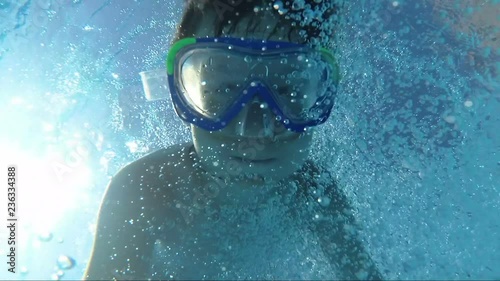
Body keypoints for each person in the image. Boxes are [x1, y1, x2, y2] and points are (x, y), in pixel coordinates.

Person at [84, 0, 383, 279]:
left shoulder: (315, 192)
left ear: (321, 93)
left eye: (289, 91)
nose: (254, 129)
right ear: (183, 92)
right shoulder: (146, 188)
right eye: (223, 89)